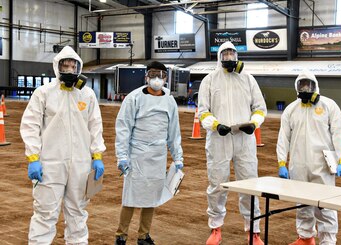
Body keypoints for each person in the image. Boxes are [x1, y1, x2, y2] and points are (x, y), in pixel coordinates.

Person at [20, 46, 106, 244]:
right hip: (50, 164)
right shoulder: (44, 93)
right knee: (45, 213)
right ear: (57, 67)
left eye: (72, 65)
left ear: (79, 68)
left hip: (81, 165)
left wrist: (97, 156)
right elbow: (30, 125)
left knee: (77, 212)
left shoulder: (87, 95)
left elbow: (95, 126)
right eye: (64, 65)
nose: (69, 69)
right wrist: (33, 158)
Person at [198, 41, 267, 245]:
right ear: (219, 57)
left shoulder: (248, 79)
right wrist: (215, 124)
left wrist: (254, 124)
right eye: (225, 53)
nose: (229, 57)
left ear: (237, 56)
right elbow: (203, 111)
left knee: (249, 184)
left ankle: (253, 231)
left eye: (232, 53)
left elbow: (260, 108)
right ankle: (216, 228)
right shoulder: (209, 80)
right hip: (219, 138)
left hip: (244, 139)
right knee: (217, 184)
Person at [114, 61, 184, 245]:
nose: (157, 79)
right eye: (153, 74)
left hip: (158, 156)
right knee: (130, 196)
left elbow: (174, 132)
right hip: (136, 155)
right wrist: (122, 156)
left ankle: (143, 235)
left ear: (166, 78)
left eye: (161, 75)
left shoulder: (169, 101)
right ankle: (121, 236)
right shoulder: (134, 98)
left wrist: (178, 158)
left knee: (152, 197)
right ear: (146, 77)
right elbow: (123, 128)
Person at [276, 70, 341, 245]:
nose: (306, 88)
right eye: (302, 85)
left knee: (325, 206)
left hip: (322, 166)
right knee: (302, 205)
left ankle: (328, 241)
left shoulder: (328, 106)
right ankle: (306, 238)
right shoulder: (291, 110)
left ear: (315, 85)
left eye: (309, 84)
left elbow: (339, 134)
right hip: (298, 165)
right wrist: (281, 162)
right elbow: (283, 137)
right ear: (297, 87)